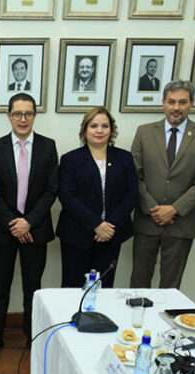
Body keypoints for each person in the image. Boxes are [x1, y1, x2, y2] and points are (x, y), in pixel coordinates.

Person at [0, 93, 58, 359]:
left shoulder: (48, 146)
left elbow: (51, 190)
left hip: (35, 230)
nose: (22, 119)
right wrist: (13, 223)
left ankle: (32, 338)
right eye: (17, 113)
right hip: (3, 230)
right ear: (9, 116)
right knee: (0, 289)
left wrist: (28, 222)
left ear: (35, 115)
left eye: (28, 113)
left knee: (32, 289)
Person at [130, 80, 195, 289]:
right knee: (139, 282)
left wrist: (174, 209)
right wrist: (153, 209)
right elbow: (134, 176)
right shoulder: (144, 132)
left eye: (182, 102)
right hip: (147, 220)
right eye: (171, 102)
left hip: (181, 223)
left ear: (191, 103)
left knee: (171, 286)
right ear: (163, 102)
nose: (176, 107)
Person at [56, 107, 137, 289]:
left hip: (111, 235)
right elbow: (67, 196)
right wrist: (96, 224)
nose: (99, 131)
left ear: (111, 130)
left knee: (104, 288)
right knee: (73, 288)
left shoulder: (124, 158)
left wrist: (110, 225)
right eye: (93, 126)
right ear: (85, 129)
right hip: (77, 235)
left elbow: (131, 195)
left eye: (104, 126)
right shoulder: (70, 159)